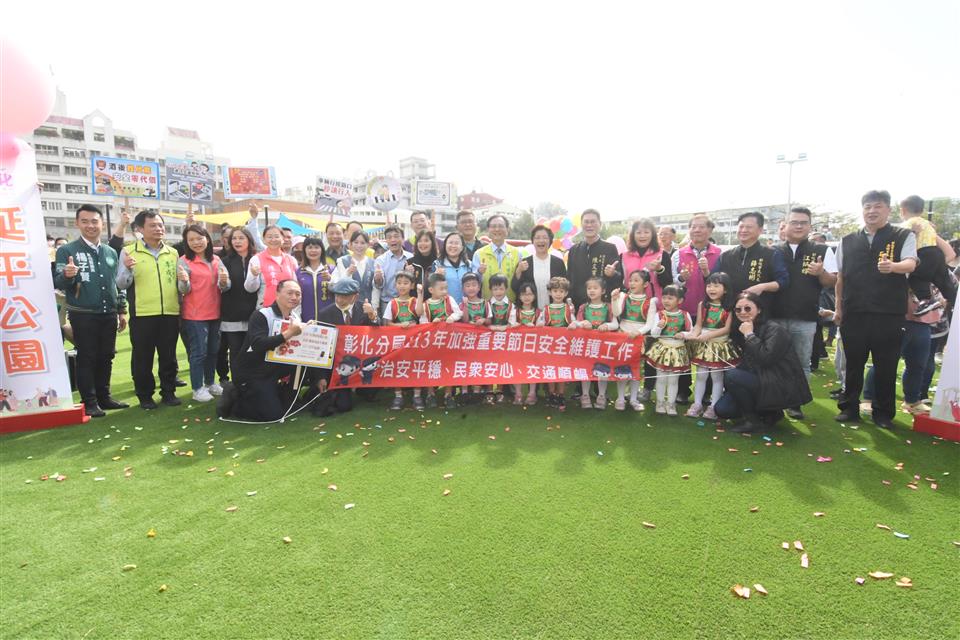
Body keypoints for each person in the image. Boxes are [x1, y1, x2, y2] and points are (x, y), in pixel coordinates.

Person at [834, 190, 918, 429]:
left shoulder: (903, 235)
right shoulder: (847, 240)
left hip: (888, 314)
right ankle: (849, 408)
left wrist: (893, 266)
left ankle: (883, 413)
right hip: (854, 312)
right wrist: (839, 308)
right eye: (867, 207)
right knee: (853, 364)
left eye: (877, 206)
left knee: (886, 365)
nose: (872, 211)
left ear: (888, 210)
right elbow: (840, 277)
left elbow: (911, 263)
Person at [54, 204, 129, 418]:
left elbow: (116, 284)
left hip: (108, 313)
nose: (90, 225)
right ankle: (89, 401)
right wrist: (67, 275)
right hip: (83, 313)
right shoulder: (67, 250)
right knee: (87, 357)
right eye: (85, 221)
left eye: (94, 221)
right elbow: (58, 281)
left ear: (102, 224)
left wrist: (121, 310)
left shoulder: (110, 251)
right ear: (77, 223)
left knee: (107, 356)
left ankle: (104, 397)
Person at [770, 207, 837, 419]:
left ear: (810, 226)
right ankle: (773, 402)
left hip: (805, 317)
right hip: (775, 316)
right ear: (785, 225)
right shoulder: (773, 251)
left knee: (801, 363)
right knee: (774, 361)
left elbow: (832, 281)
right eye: (794, 222)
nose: (799, 226)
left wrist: (821, 272)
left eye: (803, 222)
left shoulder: (822, 250)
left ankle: (795, 403)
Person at [714, 292, 812, 432]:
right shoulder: (742, 328)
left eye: (748, 308)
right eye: (738, 309)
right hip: (759, 378)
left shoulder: (775, 329)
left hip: (778, 383)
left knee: (732, 375)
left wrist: (749, 335)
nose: (743, 312)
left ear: (759, 309)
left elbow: (765, 359)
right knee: (723, 410)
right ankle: (769, 413)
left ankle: (753, 420)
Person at [116, 211, 182, 409]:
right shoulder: (129, 251)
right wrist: (127, 269)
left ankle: (169, 392)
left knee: (168, 356)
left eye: (160, 225)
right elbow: (121, 283)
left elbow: (179, 283)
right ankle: (145, 395)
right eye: (152, 225)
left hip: (170, 312)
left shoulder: (172, 253)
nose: (158, 229)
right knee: (143, 358)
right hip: (143, 314)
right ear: (140, 229)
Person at [221, 279, 306, 422]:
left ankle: (284, 395)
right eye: (290, 293)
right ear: (277, 294)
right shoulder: (261, 314)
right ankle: (235, 396)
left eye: (298, 294)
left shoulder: (295, 317)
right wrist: (289, 333)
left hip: (275, 368)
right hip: (253, 372)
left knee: (304, 365)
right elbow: (258, 344)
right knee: (273, 415)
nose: (294, 297)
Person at [673, 214, 723, 404]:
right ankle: (683, 391)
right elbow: (672, 281)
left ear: (710, 230)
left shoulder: (720, 253)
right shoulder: (679, 253)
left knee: (709, 353)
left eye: (702, 227)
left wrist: (707, 273)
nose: (697, 230)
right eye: (693, 227)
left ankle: (708, 393)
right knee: (683, 352)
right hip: (685, 310)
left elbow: (723, 282)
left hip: (711, 312)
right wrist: (681, 278)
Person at [177, 225, 230, 403]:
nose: (196, 243)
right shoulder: (184, 261)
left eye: (199, 238)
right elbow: (183, 289)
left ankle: (210, 382)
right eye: (191, 240)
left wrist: (224, 282)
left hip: (215, 312)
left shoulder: (216, 259)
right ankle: (197, 388)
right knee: (199, 352)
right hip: (194, 315)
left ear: (207, 239)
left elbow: (225, 286)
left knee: (213, 351)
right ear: (186, 243)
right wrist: (184, 281)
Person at [312, 278, 379, 417]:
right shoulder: (325, 314)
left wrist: (372, 315)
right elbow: (319, 348)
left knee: (371, 389)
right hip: (338, 365)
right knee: (344, 406)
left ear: (355, 296)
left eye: (344, 296)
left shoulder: (364, 308)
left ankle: (362, 390)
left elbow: (379, 332)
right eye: (337, 295)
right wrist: (321, 377)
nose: (339, 299)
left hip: (360, 361)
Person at [685, 273, 739, 419]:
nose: (711, 289)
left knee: (717, 376)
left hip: (719, 345)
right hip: (703, 345)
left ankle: (714, 406)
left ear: (725, 289)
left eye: (716, 286)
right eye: (709, 285)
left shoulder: (729, 307)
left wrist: (708, 335)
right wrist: (693, 335)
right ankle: (697, 404)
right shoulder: (702, 305)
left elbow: (726, 329)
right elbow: (698, 325)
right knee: (701, 375)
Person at [712, 211, 789, 313]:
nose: (743, 230)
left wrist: (762, 287)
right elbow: (713, 279)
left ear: (760, 230)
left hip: (759, 313)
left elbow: (783, 281)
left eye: (749, 227)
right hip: (730, 312)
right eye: (741, 227)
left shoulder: (771, 254)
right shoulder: (726, 256)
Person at [898, 195, 956, 314]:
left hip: (922, 254)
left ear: (903, 210)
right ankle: (954, 299)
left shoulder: (907, 224)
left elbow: (900, 237)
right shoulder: (928, 224)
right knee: (942, 279)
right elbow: (951, 254)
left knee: (916, 277)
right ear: (921, 211)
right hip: (936, 253)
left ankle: (926, 299)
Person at [610, 269, 658, 411]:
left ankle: (633, 398)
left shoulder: (650, 302)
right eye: (630, 280)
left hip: (638, 339)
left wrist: (638, 332)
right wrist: (614, 299)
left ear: (645, 284)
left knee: (636, 370)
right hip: (623, 336)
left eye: (636, 280)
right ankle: (620, 398)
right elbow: (617, 313)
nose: (632, 283)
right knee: (621, 368)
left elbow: (649, 324)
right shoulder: (623, 297)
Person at [219, 226, 258, 383]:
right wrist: (222, 282)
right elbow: (224, 287)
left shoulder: (256, 260)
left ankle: (252, 383)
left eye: (241, 238)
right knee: (235, 351)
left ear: (249, 240)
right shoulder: (225, 261)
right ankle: (237, 385)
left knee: (253, 351)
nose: (237, 241)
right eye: (234, 238)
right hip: (232, 315)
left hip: (254, 314)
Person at [572, 276, 619, 409]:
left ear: (603, 291)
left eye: (595, 288)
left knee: (602, 370)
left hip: (603, 345)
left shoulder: (608, 307)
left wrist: (607, 326)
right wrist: (583, 323)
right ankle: (585, 395)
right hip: (587, 345)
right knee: (585, 369)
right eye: (589, 288)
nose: (591, 290)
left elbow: (615, 324)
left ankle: (601, 395)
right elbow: (576, 323)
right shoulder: (583, 307)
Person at [646, 284, 692, 416]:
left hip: (678, 350)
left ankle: (671, 404)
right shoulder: (659, 314)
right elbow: (654, 334)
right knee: (661, 378)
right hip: (662, 348)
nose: (666, 301)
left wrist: (683, 334)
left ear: (680, 300)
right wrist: (659, 327)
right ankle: (660, 403)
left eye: (670, 298)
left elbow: (691, 331)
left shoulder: (685, 315)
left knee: (673, 380)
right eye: (664, 297)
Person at [419, 272, 463, 408]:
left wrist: (451, 318)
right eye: (441, 289)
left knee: (448, 365)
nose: (444, 291)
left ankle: (448, 395)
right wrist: (433, 323)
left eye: (446, 288)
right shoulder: (425, 305)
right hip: (432, 342)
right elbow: (422, 322)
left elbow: (458, 312)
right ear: (431, 290)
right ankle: (430, 394)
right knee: (432, 366)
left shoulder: (449, 299)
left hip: (449, 340)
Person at [566, 209, 620, 309]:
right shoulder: (574, 250)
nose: (589, 225)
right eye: (586, 222)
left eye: (593, 221)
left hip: (603, 306)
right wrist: (569, 301)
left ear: (600, 224)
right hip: (579, 306)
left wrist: (613, 274)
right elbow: (569, 279)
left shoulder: (610, 248)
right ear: (581, 225)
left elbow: (620, 277)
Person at [383, 271, 422, 411]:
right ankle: (398, 395)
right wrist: (400, 325)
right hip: (398, 342)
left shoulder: (415, 301)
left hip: (414, 341)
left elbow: (420, 315)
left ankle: (417, 395)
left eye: (405, 283)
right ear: (395, 285)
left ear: (412, 285)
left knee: (416, 366)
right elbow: (387, 323)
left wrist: (420, 294)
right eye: (399, 283)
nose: (402, 286)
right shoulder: (392, 303)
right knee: (397, 366)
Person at [537, 276, 576, 411]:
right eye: (555, 291)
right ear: (550, 292)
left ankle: (561, 394)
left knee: (562, 371)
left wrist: (574, 325)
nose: (558, 294)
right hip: (549, 345)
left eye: (561, 291)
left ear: (566, 293)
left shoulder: (568, 308)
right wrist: (540, 323)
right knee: (551, 370)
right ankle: (551, 394)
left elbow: (574, 322)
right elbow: (540, 322)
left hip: (563, 345)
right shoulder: (546, 309)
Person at [615, 218, 673, 300]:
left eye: (646, 232)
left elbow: (668, 284)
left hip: (653, 305)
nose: (642, 236)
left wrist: (659, 269)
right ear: (633, 235)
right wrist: (612, 274)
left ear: (652, 234)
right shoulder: (623, 256)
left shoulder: (662, 255)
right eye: (638, 232)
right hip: (630, 304)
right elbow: (619, 282)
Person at [512, 224, 567, 309]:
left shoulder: (558, 263)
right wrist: (519, 271)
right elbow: (515, 288)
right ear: (532, 241)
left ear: (550, 241)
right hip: (531, 312)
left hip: (554, 311)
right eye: (537, 238)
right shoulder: (525, 263)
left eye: (545, 237)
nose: (541, 240)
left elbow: (565, 287)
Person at [245, 225, 299, 309]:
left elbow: (297, 286)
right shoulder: (256, 259)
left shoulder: (291, 260)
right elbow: (250, 289)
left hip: (288, 309)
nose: (273, 240)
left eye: (277, 236)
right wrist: (253, 275)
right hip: (266, 308)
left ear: (282, 239)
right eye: (269, 237)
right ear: (264, 240)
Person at [472, 215, 522, 300]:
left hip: (511, 304)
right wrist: (479, 272)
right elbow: (473, 282)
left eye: (501, 226)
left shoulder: (517, 253)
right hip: (488, 304)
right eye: (493, 226)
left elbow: (520, 280)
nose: (497, 229)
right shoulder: (479, 254)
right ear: (488, 230)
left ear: (507, 230)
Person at [511, 282, 541, 406]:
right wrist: (516, 325)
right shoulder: (515, 311)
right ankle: (518, 394)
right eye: (524, 294)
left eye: (530, 294)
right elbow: (510, 324)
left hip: (533, 346)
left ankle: (532, 393)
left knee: (532, 368)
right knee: (517, 367)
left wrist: (534, 326)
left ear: (534, 296)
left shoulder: (538, 312)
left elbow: (542, 326)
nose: (527, 297)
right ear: (519, 296)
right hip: (517, 346)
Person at [373, 225, 413, 315]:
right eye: (389, 237)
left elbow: (415, 281)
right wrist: (378, 278)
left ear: (403, 239)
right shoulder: (380, 260)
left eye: (396, 236)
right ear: (386, 240)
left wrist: (411, 274)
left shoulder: (411, 257)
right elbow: (378, 285)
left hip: (407, 302)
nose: (393, 240)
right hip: (387, 303)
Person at [297, 237, 334, 322]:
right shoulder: (299, 272)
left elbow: (339, 291)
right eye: (310, 247)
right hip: (306, 318)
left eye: (316, 247)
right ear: (304, 250)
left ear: (322, 250)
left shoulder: (331, 269)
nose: (313, 250)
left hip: (328, 319)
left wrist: (331, 279)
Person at [434, 231, 472, 305]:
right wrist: (436, 276)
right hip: (445, 307)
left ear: (462, 247)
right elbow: (430, 287)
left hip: (466, 306)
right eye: (450, 243)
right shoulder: (437, 264)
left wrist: (480, 273)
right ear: (445, 245)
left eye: (457, 243)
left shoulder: (469, 264)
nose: (453, 246)